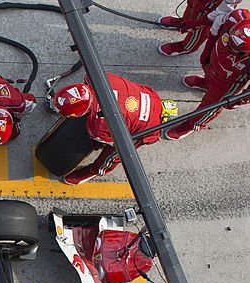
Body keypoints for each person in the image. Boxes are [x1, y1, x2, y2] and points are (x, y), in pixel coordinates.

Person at [50, 75, 177, 185]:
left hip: (148, 129)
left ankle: (95, 171)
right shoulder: (98, 77)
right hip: (151, 97)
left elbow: (111, 141)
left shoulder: (97, 127)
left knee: (115, 153)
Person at [165, 9, 250, 140]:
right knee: (209, 74)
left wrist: (238, 100)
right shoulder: (236, 17)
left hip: (227, 83)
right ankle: (206, 83)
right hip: (213, 62)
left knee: (210, 106)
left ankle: (194, 124)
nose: (229, 48)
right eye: (229, 41)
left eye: (235, 50)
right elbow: (216, 28)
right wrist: (207, 52)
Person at [158, 0, 235, 56]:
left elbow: (226, 7)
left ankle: (187, 46)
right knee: (192, 6)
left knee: (200, 29)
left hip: (213, 5)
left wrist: (200, 23)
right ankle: (183, 22)